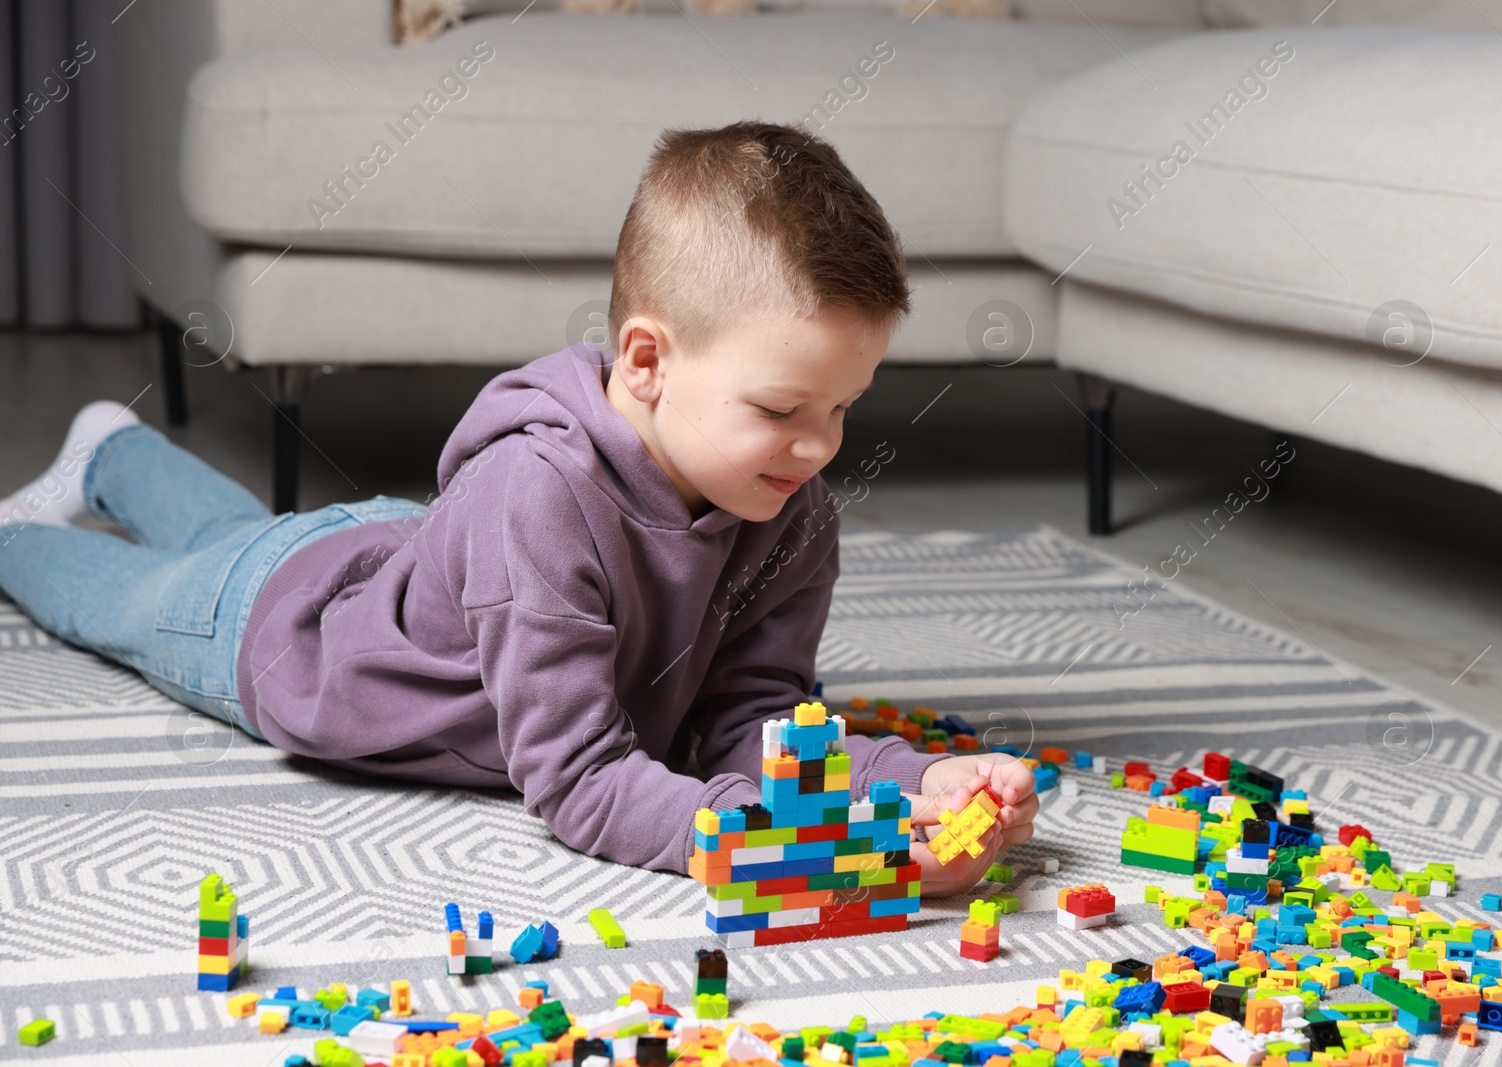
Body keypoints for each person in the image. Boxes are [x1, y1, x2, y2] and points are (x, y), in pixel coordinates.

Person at [0, 121, 1035, 895]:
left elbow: (750, 724)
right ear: (645, 359)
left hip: (381, 549)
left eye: (845, 407)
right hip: (283, 633)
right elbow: (580, 781)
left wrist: (907, 784)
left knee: (238, 536)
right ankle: (14, 532)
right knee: (133, 601)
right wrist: (840, 862)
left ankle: (114, 447)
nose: (819, 448)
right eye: (779, 408)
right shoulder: (540, 497)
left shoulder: (790, 507)